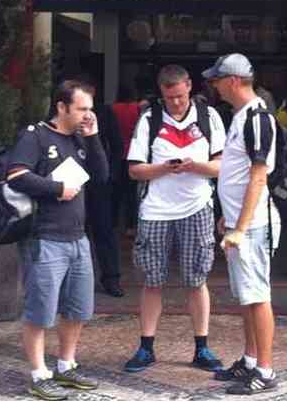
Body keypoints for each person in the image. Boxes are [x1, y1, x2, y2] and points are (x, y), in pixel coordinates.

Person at [7, 80, 109, 400]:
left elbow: (103, 176)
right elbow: (16, 175)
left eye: (90, 109)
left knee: (77, 308)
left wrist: (92, 138)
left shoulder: (82, 137)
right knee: (40, 310)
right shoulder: (35, 136)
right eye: (81, 109)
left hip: (78, 237)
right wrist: (57, 189)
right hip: (45, 237)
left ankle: (66, 365)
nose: (87, 115)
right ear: (62, 107)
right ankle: (39, 373)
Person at [125, 64, 226, 373]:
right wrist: (166, 167)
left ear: (190, 88)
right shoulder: (149, 119)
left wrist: (194, 166)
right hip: (155, 210)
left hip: (197, 208)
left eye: (181, 96)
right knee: (151, 280)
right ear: (162, 94)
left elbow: (222, 166)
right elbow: (134, 169)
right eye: (170, 98)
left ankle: (202, 347)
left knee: (197, 279)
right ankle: (146, 347)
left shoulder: (209, 117)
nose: (177, 103)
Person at [203, 53, 281, 395]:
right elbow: (238, 174)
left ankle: (265, 370)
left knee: (258, 295)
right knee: (247, 296)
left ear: (233, 80)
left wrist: (240, 226)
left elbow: (258, 178)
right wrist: (230, 217)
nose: (214, 86)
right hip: (241, 222)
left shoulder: (257, 118)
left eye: (217, 80)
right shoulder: (241, 116)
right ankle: (250, 361)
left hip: (252, 226)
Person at [84, 78, 126, 298]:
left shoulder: (104, 112)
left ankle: (111, 277)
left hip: (99, 181)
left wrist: (113, 175)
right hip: (70, 183)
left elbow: (117, 145)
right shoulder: (61, 116)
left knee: (104, 230)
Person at [112, 84, 150, 237]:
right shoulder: (138, 108)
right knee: (132, 193)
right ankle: (130, 226)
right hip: (135, 154)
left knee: (116, 191)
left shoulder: (113, 108)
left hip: (117, 153)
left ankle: (113, 224)